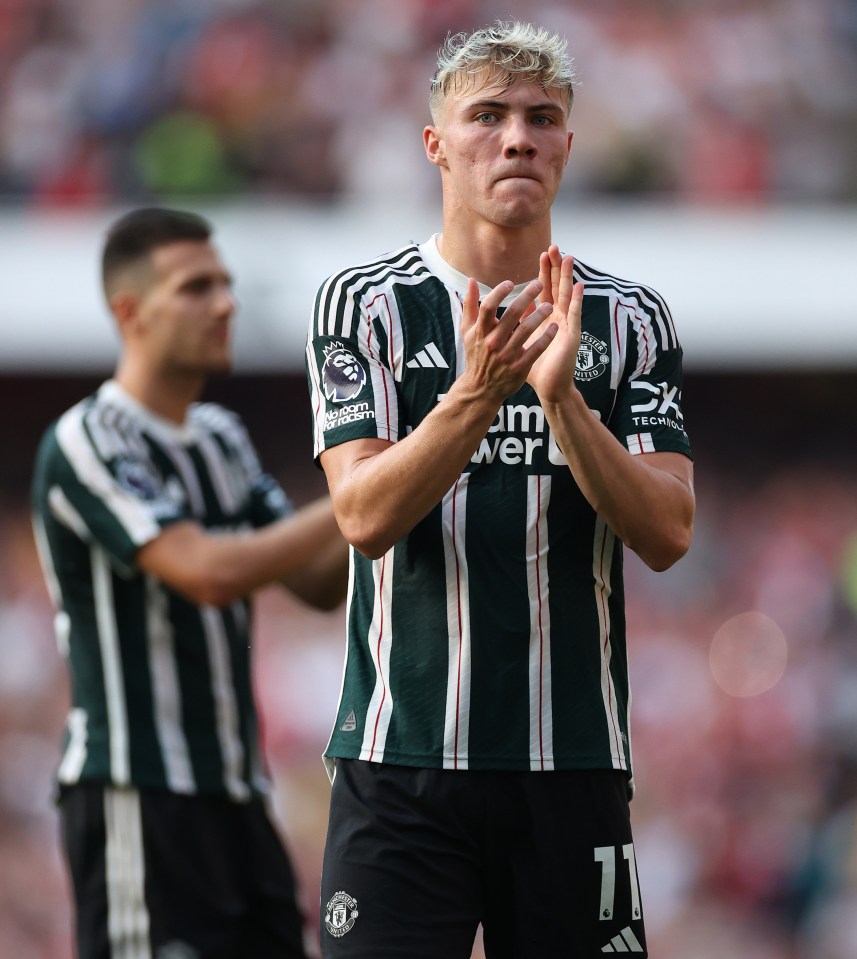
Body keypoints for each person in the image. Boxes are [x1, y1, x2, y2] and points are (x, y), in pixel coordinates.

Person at [305, 20, 695, 959]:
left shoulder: (627, 317)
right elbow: (362, 516)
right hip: (400, 769)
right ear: (436, 144)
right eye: (487, 115)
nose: (515, 136)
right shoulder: (366, 304)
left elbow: (668, 530)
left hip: (571, 766)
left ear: (567, 143)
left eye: (540, 117)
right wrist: (477, 394)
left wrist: (562, 402)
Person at [31, 206, 349, 959]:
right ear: (130, 312)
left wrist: (424, 469)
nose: (225, 303)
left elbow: (317, 581)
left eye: (226, 284)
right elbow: (206, 572)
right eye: (196, 287)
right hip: (137, 794)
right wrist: (367, 487)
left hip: (239, 794)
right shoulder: (86, 439)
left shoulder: (221, 439)